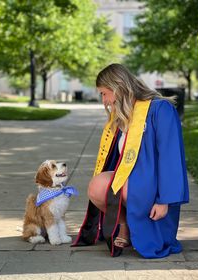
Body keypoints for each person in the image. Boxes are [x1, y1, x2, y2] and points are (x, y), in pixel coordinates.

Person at [72, 63, 189, 258]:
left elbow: (171, 158)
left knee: (121, 187)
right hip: (135, 182)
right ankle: (125, 227)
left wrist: (165, 200)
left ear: (117, 88)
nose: (104, 100)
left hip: (155, 187)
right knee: (97, 186)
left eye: (104, 93)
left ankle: (144, 232)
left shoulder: (160, 110)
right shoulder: (124, 116)